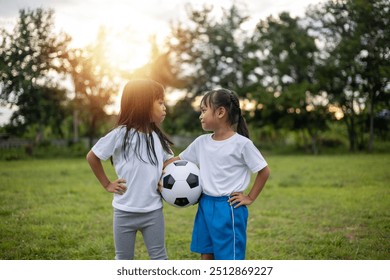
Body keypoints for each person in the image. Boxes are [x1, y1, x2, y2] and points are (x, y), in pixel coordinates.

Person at [166, 88, 270, 260]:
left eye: (204, 110)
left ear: (220, 112)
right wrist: (155, 166)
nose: (200, 115)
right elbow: (177, 160)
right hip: (205, 204)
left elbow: (264, 171)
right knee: (206, 253)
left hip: (229, 208)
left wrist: (249, 197)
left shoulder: (242, 144)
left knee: (228, 259)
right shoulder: (201, 142)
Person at [86, 79, 173, 260]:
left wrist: (164, 178)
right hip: (124, 211)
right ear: (143, 104)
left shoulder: (158, 138)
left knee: (159, 258)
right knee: (123, 259)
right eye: (160, 102)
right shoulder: (120, 134)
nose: (165, 107)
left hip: (153, 211)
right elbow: (92, 156)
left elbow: (169, 163)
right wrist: (107, 184)